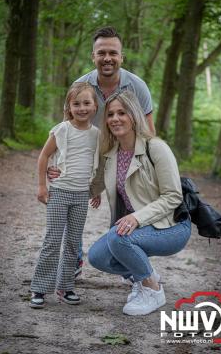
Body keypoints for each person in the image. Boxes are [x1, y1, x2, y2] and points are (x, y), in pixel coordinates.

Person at [48, 26, 155, 276]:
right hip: (86, 157)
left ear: (121, 56)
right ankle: (73, 261)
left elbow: (149, 132)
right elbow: (65, 129)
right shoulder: (79, 85)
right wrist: (55, 163)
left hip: (124, 156)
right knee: (69, 204)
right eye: (102, 52)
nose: (107, 58)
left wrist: (149, 166)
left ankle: (131, 267)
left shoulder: (138, 87)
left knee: (127, 212)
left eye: (113, 53)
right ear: (93, 56)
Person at [88, 91, 191, 316]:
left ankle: (152, 291)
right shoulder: (111, 154)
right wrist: (57, 172)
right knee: (97, 257)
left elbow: (173, 197)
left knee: (118, 237)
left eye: (121, 113)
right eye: (111, 114)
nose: (115, 118)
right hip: (136, 228)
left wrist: (137, 217)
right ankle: (145, 273)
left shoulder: (156, 148)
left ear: (134, 116)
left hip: (171, 227)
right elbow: (93, 185)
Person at [30, 82, 100, 309]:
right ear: (69, 107)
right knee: (52, 240)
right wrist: (42, 186)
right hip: (59, 192)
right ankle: (39, 288)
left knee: (73, 242)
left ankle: (66, 286)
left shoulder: (97, 135)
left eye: (86, 103)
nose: (82, 108)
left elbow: (98, 164)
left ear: (95, 106)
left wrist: (96, 190)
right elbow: (44, 156)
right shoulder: (62, 129)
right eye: (76, 104)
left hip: (81, 195)